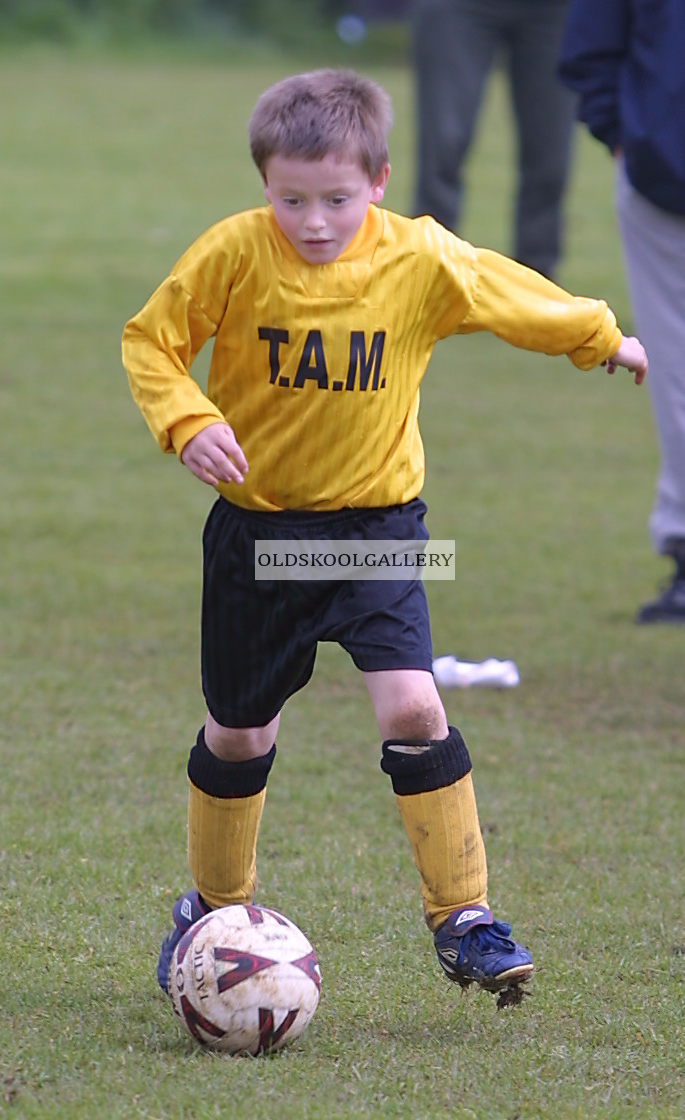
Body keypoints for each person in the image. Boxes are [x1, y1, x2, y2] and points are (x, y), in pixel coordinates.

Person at [122, 69, 647, 1005]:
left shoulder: (417, 259)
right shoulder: (235, 255)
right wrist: (188, 418)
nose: (313, 220)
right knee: (240, 733)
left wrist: (599, 337)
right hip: (259, 535)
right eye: (290, 199)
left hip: (375, 527)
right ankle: (213, 910)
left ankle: (466, 916)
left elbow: (506, 293)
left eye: (335, 198)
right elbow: (152, 341)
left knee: (411, 708)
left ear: (378, 179)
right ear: (264, 186)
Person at [559, 1, 685, 624]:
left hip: (671, 152)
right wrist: (627, 136)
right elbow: (590, 47)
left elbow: (588, 47)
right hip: (673, 165)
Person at [412, 0, 576, 280]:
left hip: (553, 10)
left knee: (550, 158)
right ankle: (427, 280)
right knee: (442, 148)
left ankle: (537, 291)